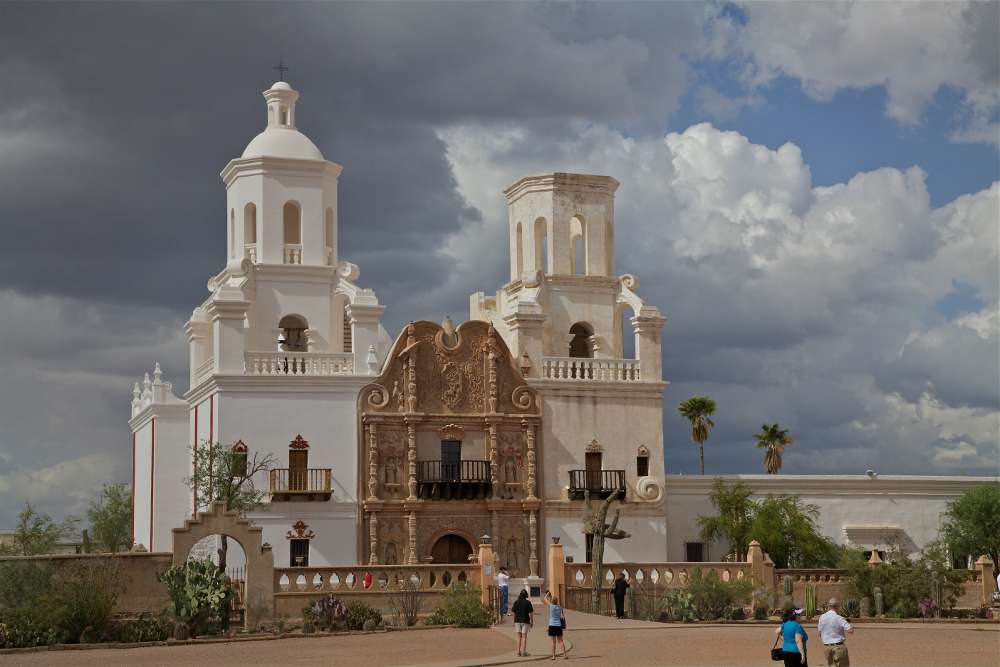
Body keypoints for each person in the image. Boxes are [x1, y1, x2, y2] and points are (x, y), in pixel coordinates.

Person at [817, 598, 853, 667]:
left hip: (827, 647)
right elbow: (850, 630)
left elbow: (819, 633)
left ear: (828, 606)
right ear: (837, 606)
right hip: (839, 647)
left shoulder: (822, 617)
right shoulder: (839, 618)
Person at [512, 589, 534, 657]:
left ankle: (518, 652)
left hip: (517, 621)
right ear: (526, 595)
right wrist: (531, 621)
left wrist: (514, 620)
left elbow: (514, 612)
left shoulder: (516, 602)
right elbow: (530, 613)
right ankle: (524, 652)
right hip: (525, 621)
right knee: (524, 637)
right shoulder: (528, 602)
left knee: (519, 637)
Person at [547, 595, 569, 660]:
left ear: (551, 601)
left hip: (551, 625)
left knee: (553, 642)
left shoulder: (551, 606)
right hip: (558, 625)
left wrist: (548, 594)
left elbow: (545, 598)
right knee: (561, 641)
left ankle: (553, 656)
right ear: (557, 601)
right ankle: (564, 655)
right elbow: (562, 616)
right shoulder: (560, 607)